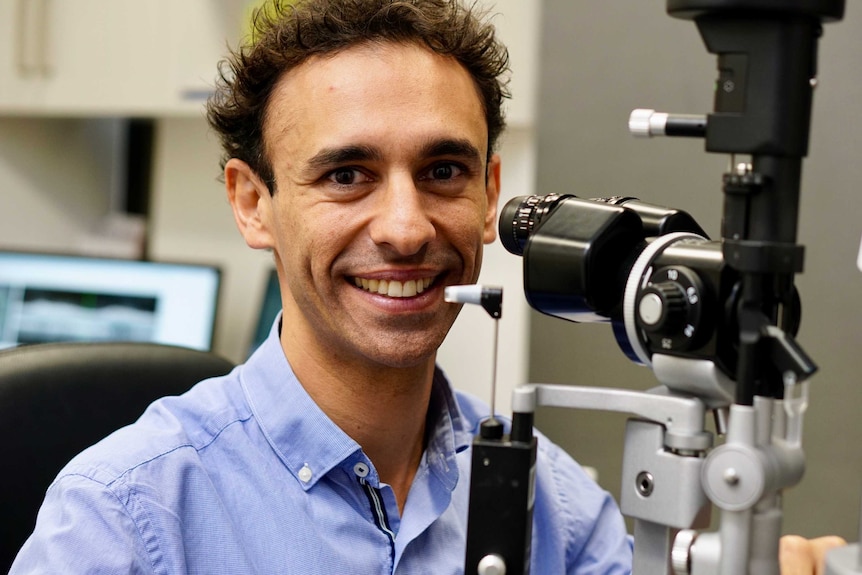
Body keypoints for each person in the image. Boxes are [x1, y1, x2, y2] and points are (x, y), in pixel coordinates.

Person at [9, 0, 845, 573]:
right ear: (252, 202)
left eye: (442, 169)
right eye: (347, 174)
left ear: (490, 196)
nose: (406, 227)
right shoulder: (125, 518)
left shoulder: (558, 512)